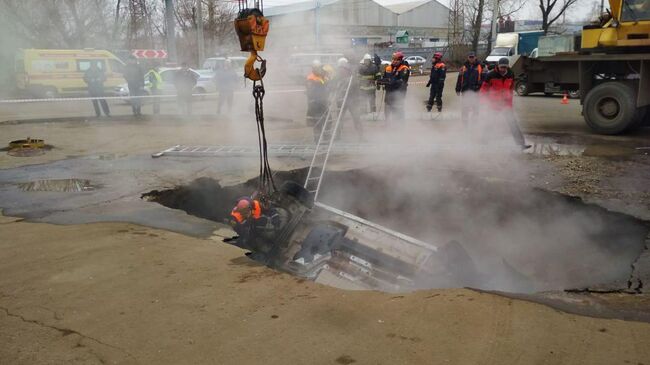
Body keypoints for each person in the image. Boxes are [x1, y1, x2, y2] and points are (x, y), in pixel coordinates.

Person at [480, 57, 527, 149]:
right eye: (501, 67)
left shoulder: (510, 74)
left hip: (505, 104)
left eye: (505, 67)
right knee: (490, 123)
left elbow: (510, 89)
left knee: (513, 124)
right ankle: (484, 143)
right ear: (498, 66)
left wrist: (509, 103)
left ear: (507, 66)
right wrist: (483, 101)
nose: (503, 69)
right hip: (494, 104)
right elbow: (484, 89)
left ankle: (521, 144)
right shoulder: (491, 75)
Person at [335, 58, 363, 140]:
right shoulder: (337, 76)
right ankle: (337, 135)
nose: (341, 70)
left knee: (356, 117)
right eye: (340, 68)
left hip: (352, 100)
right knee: (340, 118)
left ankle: (361, 136)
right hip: (341, 100)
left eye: (343, 68)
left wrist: (357, 98)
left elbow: (356, 87)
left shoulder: (352, 77)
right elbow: (333, 86)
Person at [379, 51, 410, 122]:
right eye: (393, 59)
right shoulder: (388, 68)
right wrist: (381, 81)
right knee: (387, 109)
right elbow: (385, 78)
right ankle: (388, 125)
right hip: (388, 93)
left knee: (398, 111)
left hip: (398, 93)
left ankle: (399, 127)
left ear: (400, 60)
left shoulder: (404, 68)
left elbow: (402, 81)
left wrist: (391, 82)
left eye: (396, 59)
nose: (394, 61)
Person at [455, 51, 483, 125]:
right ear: (468, 58)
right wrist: (457, 89)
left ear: (475, 57)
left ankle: (474, 124)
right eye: (470, 57)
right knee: (465, 109)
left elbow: (483, 79)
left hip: (476, 91)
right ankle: (465, 124)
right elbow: (459, 78)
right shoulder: (463, 67)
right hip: (465, 91)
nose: (471, 58)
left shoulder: (480, 66)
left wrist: (480, 87)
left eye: (472, 57)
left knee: (475, 108)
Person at [306, 60, 329, 142]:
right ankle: (317, 140)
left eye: (319, 67)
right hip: (315, 103)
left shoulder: (323, 76)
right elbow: (311, 89)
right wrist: (322, 82)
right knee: (317, 122)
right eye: (316, 68)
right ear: (313, 68)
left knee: (327, 121)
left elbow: (327, 84)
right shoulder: (310, 77)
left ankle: (327, 139)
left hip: (323, 101)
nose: (318, 69)